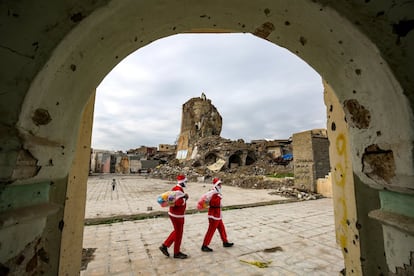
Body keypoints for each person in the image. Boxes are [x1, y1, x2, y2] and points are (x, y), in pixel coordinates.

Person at [159, 174, 189, 259]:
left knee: (177, 231)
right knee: (179, 233)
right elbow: (178, 203)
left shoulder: (175, 188)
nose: (186, 183)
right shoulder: (179, 190)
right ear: (182, 182)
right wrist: (185, 198)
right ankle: (176, 252)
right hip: (177, 215)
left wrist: (184, 197)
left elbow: (171, 202)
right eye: (185, 181)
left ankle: (165, 246)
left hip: (173, 214)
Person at [201, 177, 234, 252]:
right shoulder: (213, 192)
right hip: (213, 216)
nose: (220, 185)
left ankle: (225, 242)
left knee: (222, 229)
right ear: (216, 184)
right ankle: (204, 245)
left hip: (217, 215)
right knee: (211, 231)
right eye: (219, 184)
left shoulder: (217, 192)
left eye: (220, 184)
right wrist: (219, 198)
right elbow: (211, 202)